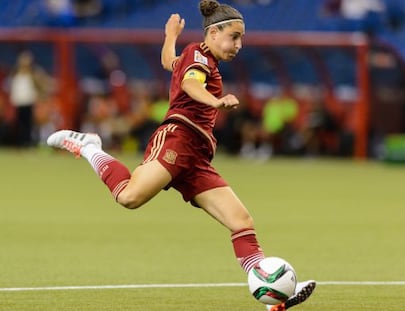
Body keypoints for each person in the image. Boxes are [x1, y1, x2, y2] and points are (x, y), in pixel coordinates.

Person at [46, 1, 316, 310]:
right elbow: (189, 83)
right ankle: (89, 146)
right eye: (235, 37)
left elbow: (169, 63)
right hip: (178, 139)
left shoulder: (196, 56)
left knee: (241, 221)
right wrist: (215, 102)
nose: (239, 45)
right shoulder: (200, 57)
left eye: (242, 38)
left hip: (197, 156)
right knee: (129, 197)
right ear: (213, 33)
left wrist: (169, 36)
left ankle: (272, 298)